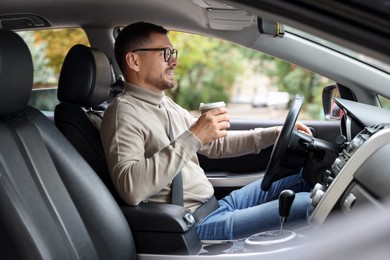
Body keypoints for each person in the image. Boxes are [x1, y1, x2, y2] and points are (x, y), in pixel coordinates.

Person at [100, 21, 312, 240]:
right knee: (309, 204)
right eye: (165, 53)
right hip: (195, 224)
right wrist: (194, 135)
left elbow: (214, 144)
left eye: (173, 52)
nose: (174, 61)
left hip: (217, 205)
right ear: (134, 60)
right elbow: (131, 188)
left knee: (307, 177)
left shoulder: (165, 103)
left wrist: (274, 133)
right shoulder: (122, 113)